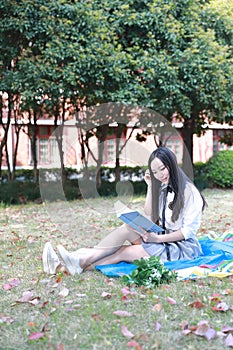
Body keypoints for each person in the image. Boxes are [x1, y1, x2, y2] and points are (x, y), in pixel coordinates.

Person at [42, 146, 206, 276]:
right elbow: (149, 212)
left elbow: (187, 232)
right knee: (126, 229)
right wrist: (150, 187)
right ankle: (73, 260)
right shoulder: (163, 187)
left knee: (123, 252)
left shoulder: (189, 193)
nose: (159, 175)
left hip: (181, 247)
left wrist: (156, 239)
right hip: (161, 237)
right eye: (154, 172)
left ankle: (68, 265)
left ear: (171, 164)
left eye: (162, 169)